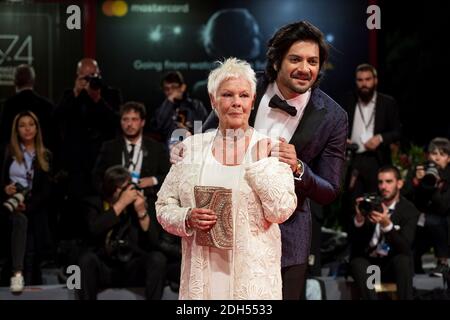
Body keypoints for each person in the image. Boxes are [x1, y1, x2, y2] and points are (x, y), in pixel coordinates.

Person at [171, 21, 348, 299]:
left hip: (290, 234)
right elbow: (207, 133)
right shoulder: (245, 86)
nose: (305, 68)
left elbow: (330, 189)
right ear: (276, 61)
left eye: (313, 61)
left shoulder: (334, 117)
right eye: (295, 59)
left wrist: (298, 167)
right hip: (226, 230)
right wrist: (183, 148)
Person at [156, 58, 297, 299]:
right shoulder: (190, 148)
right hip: (202, 282)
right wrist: (187, 217)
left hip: (253, 285)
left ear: (253, 102)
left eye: (243, 95)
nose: (236, 103)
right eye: (227, 95)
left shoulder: (272, 148)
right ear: (213, 100)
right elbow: (163, 206)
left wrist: (261, 165)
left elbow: (281, 211)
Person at [92, 101, 181, 286]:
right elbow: (96, 178)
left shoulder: (156, 147)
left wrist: (153, 180)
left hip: (146, 206)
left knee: (155, 254)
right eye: (125, 119)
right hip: (117, 207)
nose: (129, 123)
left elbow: (171, 176)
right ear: (120, 122)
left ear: (142, 122)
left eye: (134, 119)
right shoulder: (109, 147)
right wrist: (115, 193)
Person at [77, 165, 167, 300]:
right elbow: (94, 229)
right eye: (127, 188)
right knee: (86, 260)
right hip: (105, 267)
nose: (132, 191)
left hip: (132, 267)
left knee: (157, 258)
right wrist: (121, 203)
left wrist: (142, 212)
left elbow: (154, 242)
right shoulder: (94, 204)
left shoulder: (136, 205)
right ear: (116, 190)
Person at [53, 58, 119, 240]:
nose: (90, 80)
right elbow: (56, 120)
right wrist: (76, 93)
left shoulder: (110, 94)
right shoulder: (71, 95)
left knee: (101, 206)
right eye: (85, 77)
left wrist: (98, 100)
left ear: (100, 75)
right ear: (77, 77)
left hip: (102, 162)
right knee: (75, 210)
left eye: (94, 76)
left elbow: (116, 123)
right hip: (76, 165)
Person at [0, 111, 52, 293]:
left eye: (31, 124)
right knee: (18, 225)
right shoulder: (7, 152)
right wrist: (5, 189)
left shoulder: (45, 155)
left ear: (37, 128)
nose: (27, 129)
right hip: (9, 208)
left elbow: (46, 191)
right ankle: (16, 274)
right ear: (17, 130)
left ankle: (22, 279)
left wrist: (28, 206)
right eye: (22, 125)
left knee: (31, 252)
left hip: (33, 210)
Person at [349, 165, 419, 300]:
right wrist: (359, 219)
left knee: (403, 261)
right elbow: (353, 242)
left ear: (399, 183)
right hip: (371, 267)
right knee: (358, 263)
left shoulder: (409, 210)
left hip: (392, 267)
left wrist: (387, 226)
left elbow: (405, 248)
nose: (383, 186)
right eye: (380, 182)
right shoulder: (369, 205)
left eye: (389, 181)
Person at [342, 63, 401, 197]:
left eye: (368, 79)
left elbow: (397, 132)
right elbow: (337, 126)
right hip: (353, 158)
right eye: (360, 80)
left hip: (377, 158)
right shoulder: (349, 100)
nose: (364, 84)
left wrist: (380, 138)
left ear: (375, 80)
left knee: (376, 200)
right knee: (351, 201)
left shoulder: (387, 103)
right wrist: (342, 137)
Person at [404, 137, 450, 276]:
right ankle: (413, 262)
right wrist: (416, 181)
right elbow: (404, 196)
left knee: (434, 220)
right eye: (434, 154)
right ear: (428, 155)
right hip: (420, 217)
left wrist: (435, 186)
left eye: (442, 155)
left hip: (443, 219)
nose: (437, 158)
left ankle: (444, 262)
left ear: (449, 158)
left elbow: (444, 207)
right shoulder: (419, 169)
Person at [0, 64, 54, 149]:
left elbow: (3, 137)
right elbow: (53, 138)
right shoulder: (47, 105)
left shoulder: (8, 105)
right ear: (33, 81)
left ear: (15, 82)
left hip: (15, 157)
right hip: (42, 157)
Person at [152, 71, 207, 147]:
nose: (170, 91)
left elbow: (201, 129)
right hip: (168, 151)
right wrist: (169, 102)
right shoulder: (162, 107)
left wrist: (188, 129)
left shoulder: (196, 105)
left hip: (192, 148)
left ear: (182, 87)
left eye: (174, 87)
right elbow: (158, 128)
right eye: (166, 89)